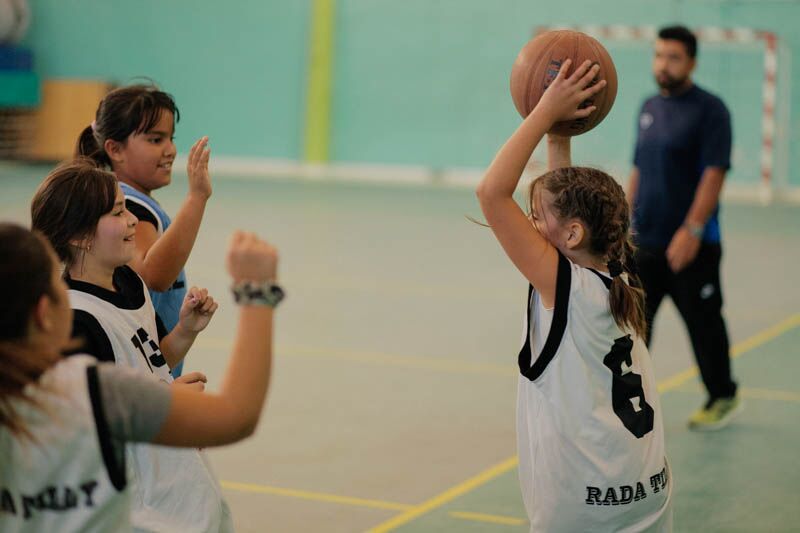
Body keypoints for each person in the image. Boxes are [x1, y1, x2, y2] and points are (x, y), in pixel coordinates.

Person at [477, 59, 671, 531]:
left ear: (572, 234)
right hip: (647, 492)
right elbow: (559, 206)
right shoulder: (618, 273)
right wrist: (558, 135)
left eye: (536, 218)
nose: (531, 227)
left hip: (587, 507)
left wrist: (543, 112)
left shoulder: (567, 287)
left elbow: (491, 193)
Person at [29, 161, 269, 532]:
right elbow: (91, 433)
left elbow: (151, 360)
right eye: (117, 212)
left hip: (178, 475)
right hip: (145, 506)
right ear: (79, 236)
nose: (131, 221)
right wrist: (169, 404)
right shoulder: (78, 321)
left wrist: (185, 332)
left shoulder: (128, 281)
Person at [628, 25, 740, 430]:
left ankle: (722, 396)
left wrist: (692, 230)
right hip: (646, 242)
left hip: (692, 245)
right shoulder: (648, 107)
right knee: (634, 330)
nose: (663, 65)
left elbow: (714, 172)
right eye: (659, 55)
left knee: (704, 325)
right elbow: (638, 169)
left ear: (691, 62)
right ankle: (629, 402)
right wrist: (622, 223)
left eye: (673, 57)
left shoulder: (711, 110)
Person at [76, 83, 212, 378]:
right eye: (155, 139)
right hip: (145, 374)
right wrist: (197, 198)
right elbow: (154, 274)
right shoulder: (132, 206)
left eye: (171, 138)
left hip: (156, 360)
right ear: (115, 149)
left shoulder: (136, 200)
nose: (170, 150)